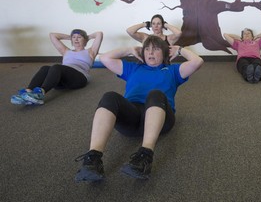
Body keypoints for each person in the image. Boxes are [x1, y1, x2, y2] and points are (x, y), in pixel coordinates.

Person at [74, 35, 203, 182]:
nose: (150, 53)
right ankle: (93, 159)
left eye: (156, 49)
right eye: (147, 49)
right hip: (132, 119)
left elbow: (197, 62)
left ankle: (145, 156)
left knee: (155, 93)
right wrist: (129, 49)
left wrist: (179, 50)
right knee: (110, 96)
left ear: (166, 53)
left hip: (161, 119)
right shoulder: (133, 68)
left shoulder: (173, 70)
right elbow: (105, 59)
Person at [10, 29, 103, 105]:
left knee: (56, 67)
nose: (76, 39)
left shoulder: (90, 52)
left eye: (79, 37)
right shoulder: (66, 51)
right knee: (45, 68)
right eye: (74, 37)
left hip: (79, 79)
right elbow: (52, 35)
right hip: (61, 80)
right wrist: (70, 37)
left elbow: (99, 34)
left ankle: (39, 94)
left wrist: (86, 37)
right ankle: (28, 92)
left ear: (85, 40)